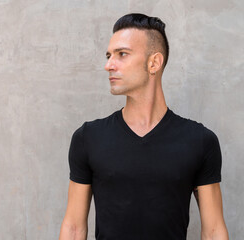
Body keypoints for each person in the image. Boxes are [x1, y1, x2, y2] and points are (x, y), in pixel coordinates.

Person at [59, 13, 229, 240]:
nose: (108, 65)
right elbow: (73, 227)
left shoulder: (200, 141)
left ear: (154, 63)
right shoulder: (88, 138)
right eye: (109, 55)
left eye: (122, 54)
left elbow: (214, 230)